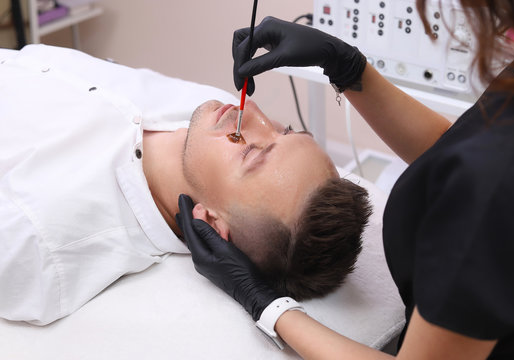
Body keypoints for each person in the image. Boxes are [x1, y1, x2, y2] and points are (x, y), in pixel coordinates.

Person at [177, 1, 514, 359]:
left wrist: (267, 305)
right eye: (286, 130)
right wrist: (348, 67)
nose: (252, 113)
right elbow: (458, 146)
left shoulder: (493, 190)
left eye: (281, 132)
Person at [0, 44, 371, 326]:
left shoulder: (38, 243)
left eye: (251, 153)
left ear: (209, 222)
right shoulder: (209, 118)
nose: (251, 112)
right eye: (284, 129)